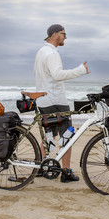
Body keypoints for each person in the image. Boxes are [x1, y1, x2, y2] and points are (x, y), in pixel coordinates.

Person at [34, 24, 90, 182]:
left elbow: (38, 73)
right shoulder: (52, 53)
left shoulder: (41, 52)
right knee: (67, 136)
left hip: (44, 99)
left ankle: (41, 166)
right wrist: (80, 70)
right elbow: (57, 75)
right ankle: (66, 172)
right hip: (56, 100)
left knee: (49, 135)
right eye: (63, 34)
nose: (66, 37)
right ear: (54, 35)